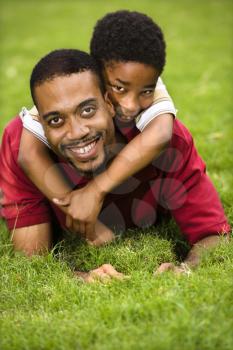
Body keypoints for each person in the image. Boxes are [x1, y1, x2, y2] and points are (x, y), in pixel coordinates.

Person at [0, 48, 230, 279]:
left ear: (109, 103)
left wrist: (185, 269)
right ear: (41, 124)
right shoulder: (22, 145)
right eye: (56, 120)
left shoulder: (168, 142)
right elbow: (33, 263)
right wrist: (85, 279)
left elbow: (214, 236)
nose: (77, 132)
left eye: (88, 110)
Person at [18, 10, 176, 242]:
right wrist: (80, 210)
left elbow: (161, 133)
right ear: (100, 75)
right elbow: (29, 154)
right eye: (119, 88)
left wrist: (96, 190)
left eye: (145, 91)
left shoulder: (141, 77)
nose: (131, 106)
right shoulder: (72, 91)